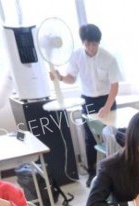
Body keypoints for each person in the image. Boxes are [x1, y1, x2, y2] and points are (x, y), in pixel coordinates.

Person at [51, 24, 120, 187]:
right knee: (90, 138)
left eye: (94, 44)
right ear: (83, 43)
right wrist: (59, 77)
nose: (91, 47)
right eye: (87, 44)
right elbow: (71, 78)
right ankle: (92, 173)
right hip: (87, 100)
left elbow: (114, 85)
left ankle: (116, 172)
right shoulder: (76, 56)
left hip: (106, 100)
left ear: (99, 42)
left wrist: (108, 106)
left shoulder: (109, 58)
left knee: (112, 136)